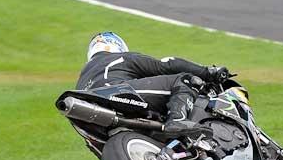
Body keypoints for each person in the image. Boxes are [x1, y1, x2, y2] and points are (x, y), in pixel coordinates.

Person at [76, 31, 231, 135]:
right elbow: (167, 64)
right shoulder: (121, 58)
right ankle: (178, 119)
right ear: (119, 46)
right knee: (185, 80)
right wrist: (208, 72)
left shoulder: (83, 77)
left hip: (87, 112)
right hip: (114, 92)